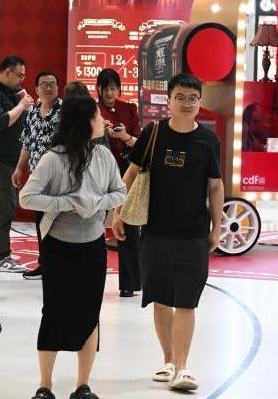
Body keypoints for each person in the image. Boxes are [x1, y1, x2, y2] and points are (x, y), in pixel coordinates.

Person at [111, 73, 223, 391]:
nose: (187, 103)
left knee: (186, 302)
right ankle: (169, 360)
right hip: (155, 232)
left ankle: (183, 368)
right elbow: (132, 173)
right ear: (169, 101)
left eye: (192, 98)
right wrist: (117, 211)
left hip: (193, 235)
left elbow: (215, 186)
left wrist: (216, 228)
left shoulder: (208, 140)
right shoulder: (153, 132)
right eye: (180, 97)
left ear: (199, 102)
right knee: (161, 300)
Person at [20, 96, 127, 399]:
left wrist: (97, 202)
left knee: (89, 314)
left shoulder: (104, 156)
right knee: (54, 312)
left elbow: (120, 192)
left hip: (92, 248)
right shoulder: (54, 158)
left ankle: (83, 385)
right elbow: (27, 197)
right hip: (57, 248)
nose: (103, 121)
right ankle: (45, 386)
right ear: (84, 122)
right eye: (97, 116)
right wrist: (66, 203)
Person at [95, 68, 142, 298]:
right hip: (99, 175)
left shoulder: (129, 109)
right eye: (105, 88)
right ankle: (91, 278)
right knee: (94, 225)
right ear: (99, 89)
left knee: (128, 227)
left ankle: (129, 283)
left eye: (113, 88)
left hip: (127, 174)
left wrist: (124, 137)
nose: (110, 93)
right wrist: (100, 132)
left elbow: (140, 143)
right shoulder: (93, 111)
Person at [13, 71, 63, 280]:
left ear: (58, 87)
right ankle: (44, 264)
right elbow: (27, 142)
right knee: (41, 220)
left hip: (59, 177)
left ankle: (58, 265)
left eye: (52, 83)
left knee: (58, 223)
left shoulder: (65, 112)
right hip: (37, 176)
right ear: (36, 89)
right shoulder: (32, 113)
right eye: (44, 84)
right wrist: (19, 168)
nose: (49, 87)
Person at [0, 54, 34, 272]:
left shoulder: (12, 92)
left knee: (9, 207)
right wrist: (21, 105)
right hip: (0, 161)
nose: (22, 80)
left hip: (13, 160)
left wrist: (26, 107)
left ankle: (3, 253)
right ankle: (2, 256)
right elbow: (2, 121)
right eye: (20, 75)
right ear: (8, 71)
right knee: (5, 210)